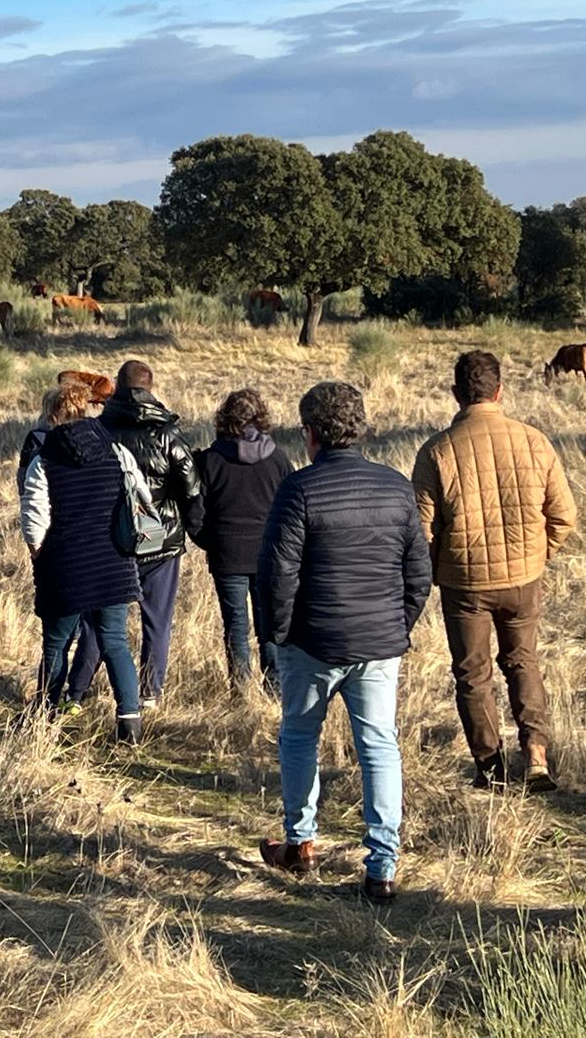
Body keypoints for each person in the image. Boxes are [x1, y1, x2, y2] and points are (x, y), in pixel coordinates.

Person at [256, 382, 431, 904]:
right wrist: (396, 626)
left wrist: (279, 633)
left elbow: (276, 574)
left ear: (309, 433)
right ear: (362, 429)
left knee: (299, 736)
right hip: (378, 643)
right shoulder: (396, 488)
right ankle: (381, 868)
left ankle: (300, 842)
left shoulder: (299, 490)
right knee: (379, 746)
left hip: (312, 641)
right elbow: (418, 574)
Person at [412, 350, 577, 793]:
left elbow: (422, 530)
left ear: (456, 394)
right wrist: (538, 556)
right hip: (524, 578)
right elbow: (564, 515)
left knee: (473, 674)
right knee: (523, 662)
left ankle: (491, 769)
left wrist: (438, 570)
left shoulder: (437, 451)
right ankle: (536, 754)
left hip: (463, 583)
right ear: (499, 391)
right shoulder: (534, 441)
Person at [72, 360, 201, 710]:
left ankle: (77, 690)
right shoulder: (168, 434)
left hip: (109, 542)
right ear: (151, 387)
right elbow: (191, 488)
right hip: (160, 541)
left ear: (116, 385)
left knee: (98, 622)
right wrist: (194, 529)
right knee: (157, 621)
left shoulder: (97, 430)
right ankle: (149, 693)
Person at [19, 382, 144, 743]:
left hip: (64, 565)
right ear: (87, 410)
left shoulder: (44, 460)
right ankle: (130, 722)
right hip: (113, 563)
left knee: (56, 643)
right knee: (115, 640)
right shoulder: (117, 451)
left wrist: (39, 554)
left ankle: (45, 714)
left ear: (52, 415)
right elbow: (139, 495)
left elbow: (34, 519)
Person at [191, 388, 294, 690]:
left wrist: (212, 542)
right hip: (269, 555)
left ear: (224, 418)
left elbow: (195, 514)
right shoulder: (278, 459)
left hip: (227, 554)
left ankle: (240, 687)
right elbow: (293, 508)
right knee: (269, 623)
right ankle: (274, 685)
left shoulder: (210, 460)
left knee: (235, 624)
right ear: (261, 417)